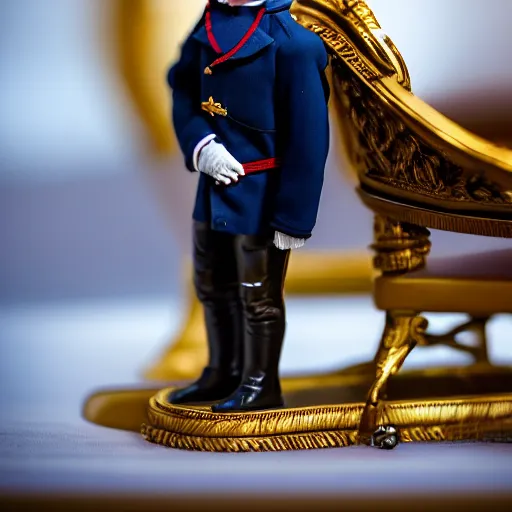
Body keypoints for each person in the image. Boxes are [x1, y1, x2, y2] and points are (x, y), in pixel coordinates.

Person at [167, 0, 330, 412]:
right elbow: (182, 87)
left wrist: (294, 217)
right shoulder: (210, 20)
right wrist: (200, 144)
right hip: (213, 184)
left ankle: (260, 384)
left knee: (258, 298)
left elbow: (309, 141)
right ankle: (222, 371)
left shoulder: (295, 46)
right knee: (210, 285)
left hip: (262, 191)